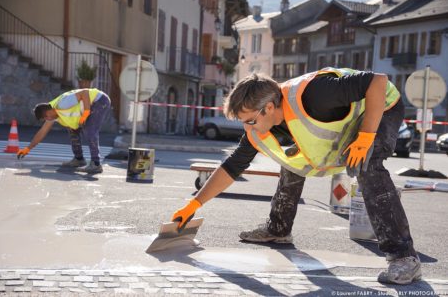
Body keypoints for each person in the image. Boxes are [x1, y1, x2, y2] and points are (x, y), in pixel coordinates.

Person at [171, 67, 421, 285]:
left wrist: (366, 136)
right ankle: (278, 229)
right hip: (345, 125)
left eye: (249, 120)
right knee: (291, 157)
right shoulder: (263, 124)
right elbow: (232, 167)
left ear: (268, 107)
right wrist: (194, 204)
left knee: (368, 163)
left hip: (380, 105)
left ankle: (404, 257)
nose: (247, 127)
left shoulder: (315, 93)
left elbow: (377, 81)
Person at [17, 88, 111, 174]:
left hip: (99, 101)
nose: (47, 120)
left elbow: (85, 93)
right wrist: (28, 148)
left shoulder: (62, 103)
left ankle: (96, 164)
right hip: (90, 106)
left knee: (90, 130)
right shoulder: (53, 114)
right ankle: (79, 159)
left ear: (47, 113)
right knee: (72, 129)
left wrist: (86, 112)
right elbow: (42, 131)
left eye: (46, 118)